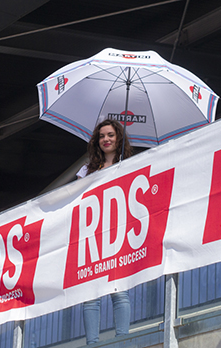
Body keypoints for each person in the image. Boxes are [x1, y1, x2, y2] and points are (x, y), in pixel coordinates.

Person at [76, 119, 133, 345]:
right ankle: (92, 343)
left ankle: (123, 340)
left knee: (119, 290)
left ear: (118, 138)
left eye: (110, 135)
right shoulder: (86, 170)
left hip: (118, 234)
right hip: (92, 236)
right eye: (101, 136)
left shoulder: (130, 164)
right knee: (90, 294)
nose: (106, 139)